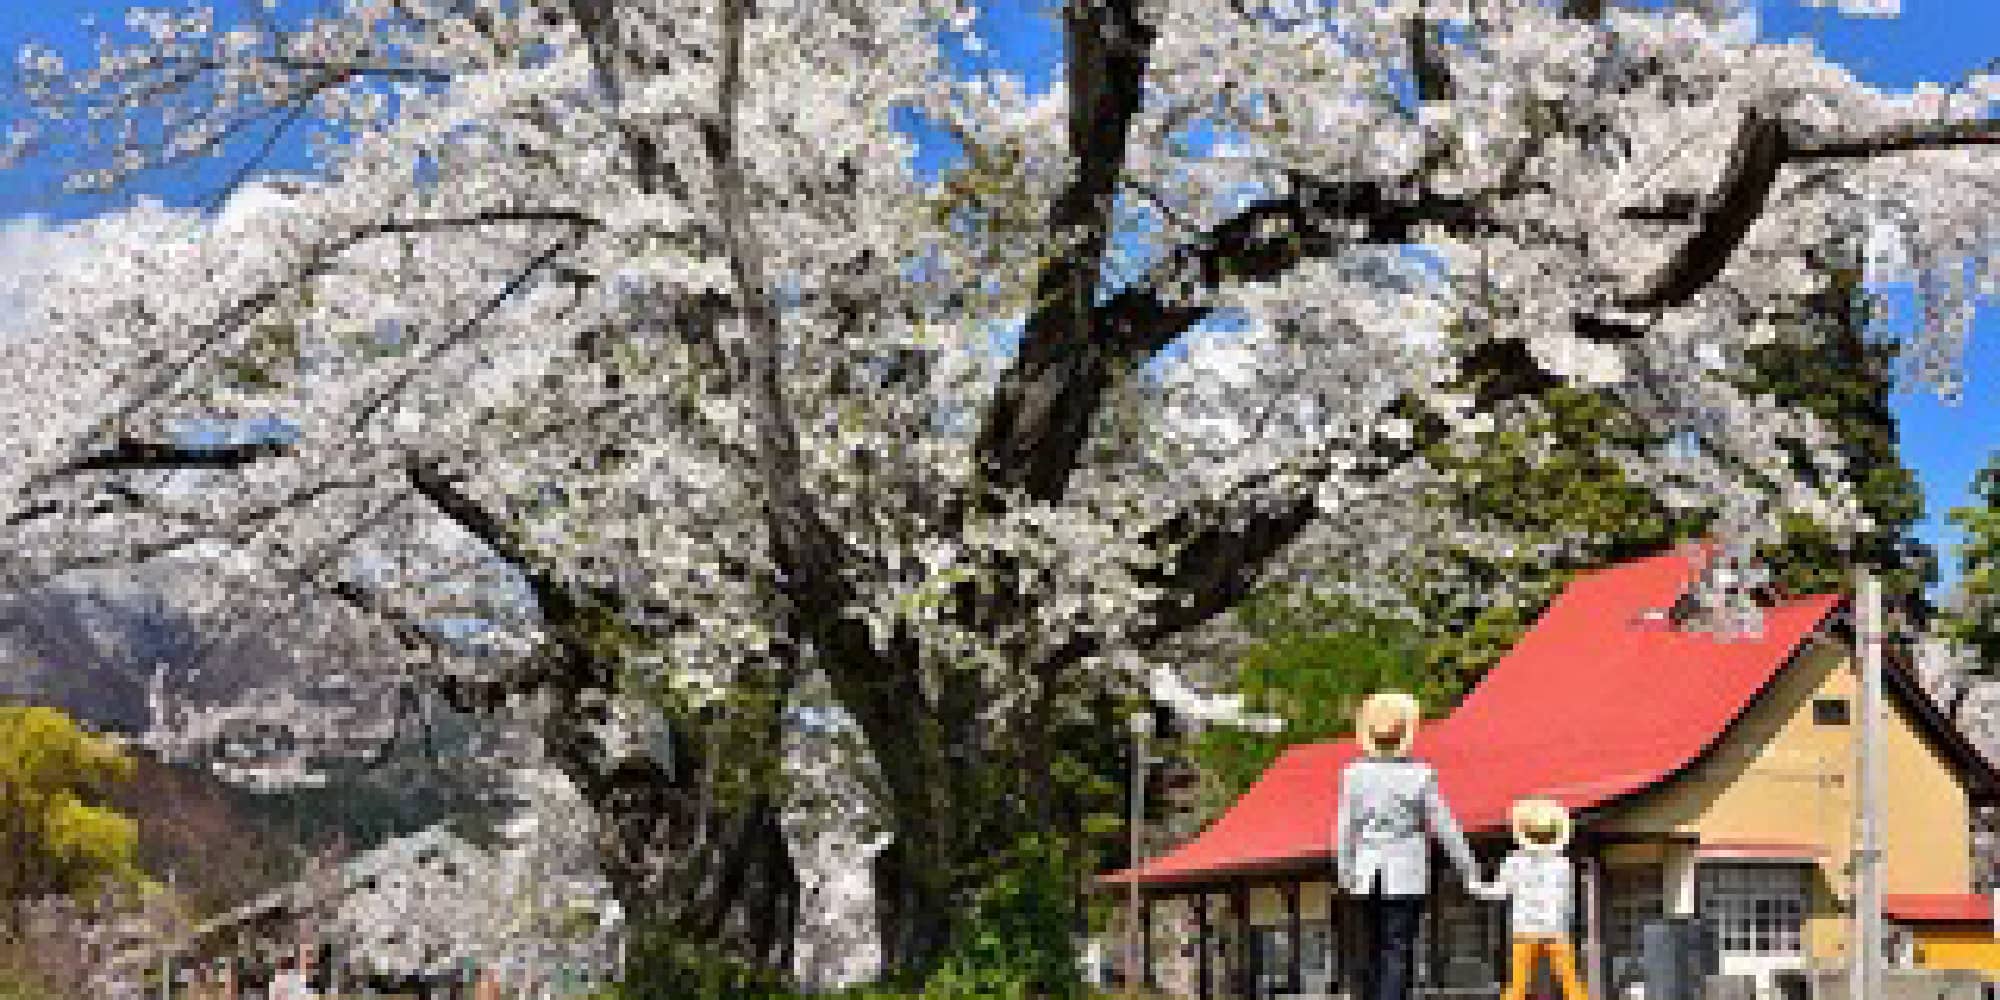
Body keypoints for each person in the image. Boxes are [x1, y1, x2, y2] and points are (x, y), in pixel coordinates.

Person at [1334, 690, 1483, 1000]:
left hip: (1366, 872)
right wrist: (1469, 869)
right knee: (1398, 949)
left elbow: (1346, 827)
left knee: (1370, 949)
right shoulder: (1420, 776)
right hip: (1406, 873)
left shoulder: (1354, 776)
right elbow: (1445, 826)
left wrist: (1345, 869)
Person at [1475, 797, 1590, 1000]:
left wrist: (1478, 888)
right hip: (1556, 928)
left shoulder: (1514, 861)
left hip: (1525, 929)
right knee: (1571, 983)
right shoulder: (1563, 863)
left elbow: (1500, 891)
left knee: (1518, 984)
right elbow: (1568, 899)